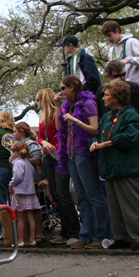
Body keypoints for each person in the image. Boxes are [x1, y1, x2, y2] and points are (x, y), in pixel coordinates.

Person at [91, 80, 139, 250]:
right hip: (111, 167)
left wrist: (109, 143)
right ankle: (121, 237)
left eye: (107, 95)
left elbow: (132, 137)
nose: (103, 98)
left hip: (126, 166)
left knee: (131, 203)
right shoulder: (106, 117)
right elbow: (98, 136)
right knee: (115, 205)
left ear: (117, 97)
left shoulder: (131, 115)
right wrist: (94, 143)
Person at [56, 75, 111, 249]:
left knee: (94, 195)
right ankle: (86, 235)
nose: (62, 91)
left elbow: (95, 129)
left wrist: (75, 120)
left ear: (72, 87)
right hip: (71, 155)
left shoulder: (87, 103)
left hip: (84, 154)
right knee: (81, 197)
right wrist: (58, 107)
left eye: (63, 88)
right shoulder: (66, 105)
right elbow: (59, 128)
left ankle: (101, 235)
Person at [36, 89, 80, 246]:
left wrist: (56, 107)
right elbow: (40, 136)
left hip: (59, 156)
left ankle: (74, 230)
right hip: (48, 157)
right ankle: (65, 230)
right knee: (55, 194)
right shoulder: (41, 118)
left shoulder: (58, 112)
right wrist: (43, 142)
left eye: (38, 100)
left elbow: (60, 129)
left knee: (63, 193)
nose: (37, 104)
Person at [13, 122, 45, 242]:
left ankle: (38, 234)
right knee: (25, 212)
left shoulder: (32, 144)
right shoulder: (16, 145)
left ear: (22, 132)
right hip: (21, 184)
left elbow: (37, 160)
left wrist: (20, 160)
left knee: (34, 210)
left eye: (15, 131)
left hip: (32, 181)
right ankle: (27, 236)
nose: (13, 134)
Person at [102, 20, 139, 87]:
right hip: (119, 88)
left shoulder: (132, 42)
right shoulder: (111, 50)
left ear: (117, 31)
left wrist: (129, 60)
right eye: (106, 36)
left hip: (135, 87)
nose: (108, 38)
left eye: (109, 35)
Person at [9, 141, 40, 247]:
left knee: (20, 217)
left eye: (13, 152)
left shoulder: (18, 163)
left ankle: (21, 240)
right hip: (30, 191)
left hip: (20, 191)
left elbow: (17, 177)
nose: (12, 154)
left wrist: (11, 185)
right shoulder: (28, 162)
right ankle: (32, 239)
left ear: (18, 152)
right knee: (30, 215)